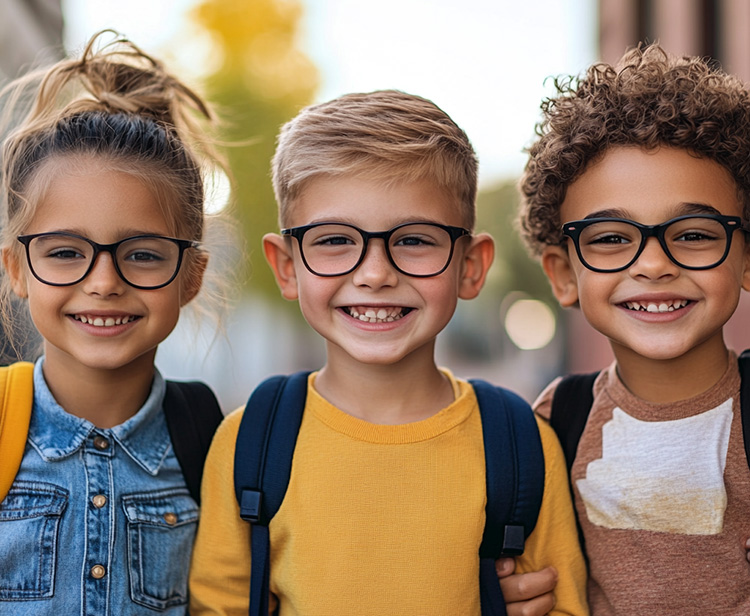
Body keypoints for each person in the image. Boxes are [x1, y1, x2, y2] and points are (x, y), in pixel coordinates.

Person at [188, 89, 588, 616]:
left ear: (471, 266)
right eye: (333, 241)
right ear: (287, 266)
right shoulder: (250, 441)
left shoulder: (518, 443)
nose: (375, 273)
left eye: (415, 240)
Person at [515, 43, 750, 614]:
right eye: (611, 239)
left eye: (694, 233)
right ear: (563, 275)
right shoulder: (553, 424)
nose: (653, 263)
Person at [0, 30, 227, 615]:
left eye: (143, 253)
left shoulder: (220, 450)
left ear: (192, 275)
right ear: (17, 270)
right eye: (65, 252)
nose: (104, 281)